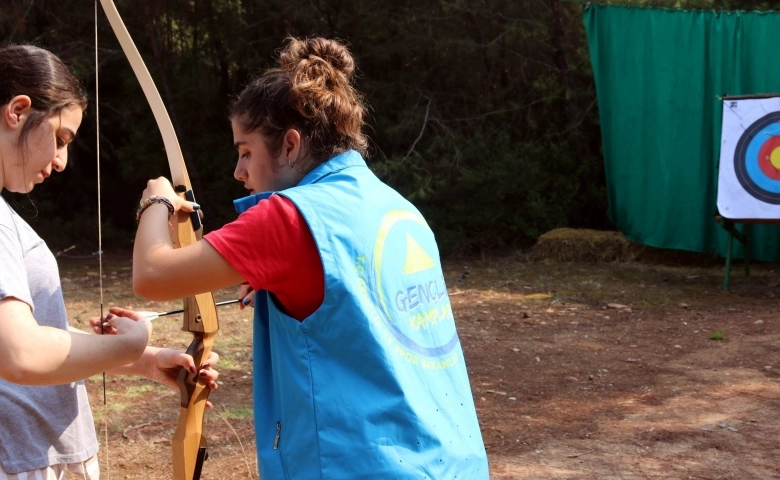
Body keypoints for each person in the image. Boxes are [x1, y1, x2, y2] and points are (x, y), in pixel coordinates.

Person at [132, 36, 489, 479]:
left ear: (290, 145)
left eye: (246, 152)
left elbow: (151, 274)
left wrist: (157, 201)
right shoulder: (395, 206)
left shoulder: (287, 219)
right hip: (450, 461)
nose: (238, 171)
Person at [0, 44, 219, 480]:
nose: (61, 161)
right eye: (61, 139)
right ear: (18, 111)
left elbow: (31, 335)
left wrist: (145, 360)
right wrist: (128, 345)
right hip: (23, 463)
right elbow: (20, 353)